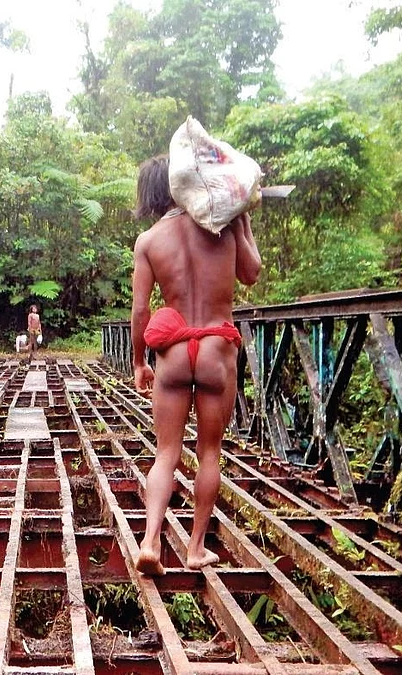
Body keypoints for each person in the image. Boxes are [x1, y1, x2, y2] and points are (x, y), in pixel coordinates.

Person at [130, 154, 261, 575]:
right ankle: (196, 547)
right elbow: (251, 273)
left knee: (166, 452)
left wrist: (139, 363)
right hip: (216, 349)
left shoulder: (148, 241)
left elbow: (139, 313)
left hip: (173, 352)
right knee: (209, 451)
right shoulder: (220, 226)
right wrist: (243, 221)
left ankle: (150, 541)